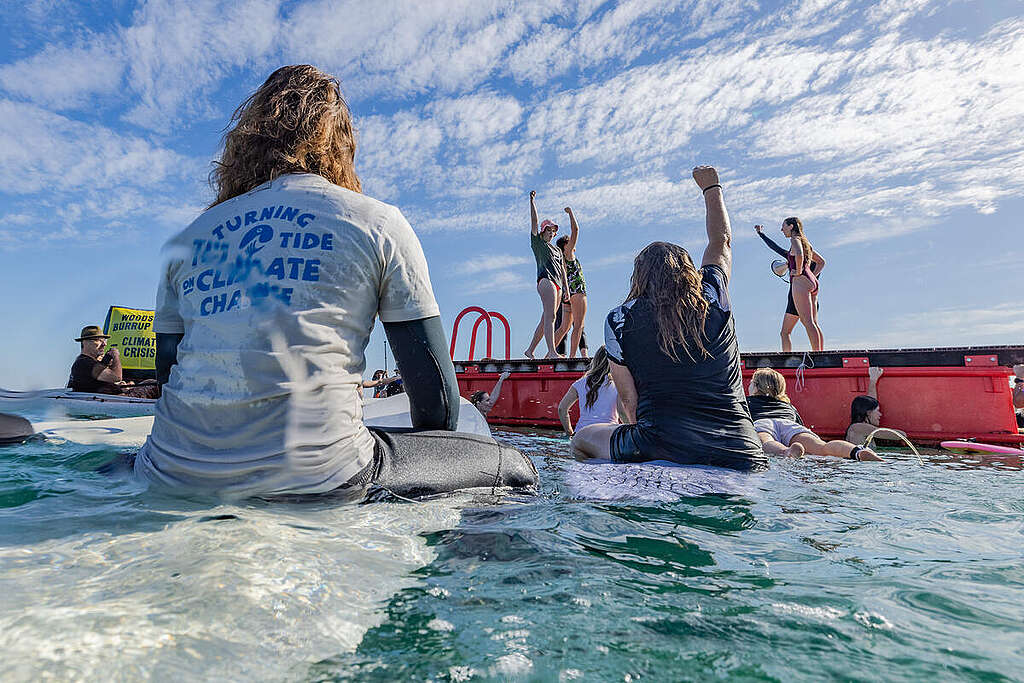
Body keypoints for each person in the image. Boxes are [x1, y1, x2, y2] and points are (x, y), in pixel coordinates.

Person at [138, 64, 536, 499]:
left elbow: (168, 372)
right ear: (341, 145)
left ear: (245, 143)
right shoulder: (377, 222)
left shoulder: (186, 240)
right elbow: (438, 402)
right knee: (513, 467)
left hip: (168, 470)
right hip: (321, 480)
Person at [571, 166, 768, 471]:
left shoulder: (619, 320)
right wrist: (711, 188)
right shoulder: (713, 294)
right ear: (689, 271)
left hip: (662, 445)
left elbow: (629, 401)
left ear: (638, 277)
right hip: (742, 450)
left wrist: (643, 445)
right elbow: (721, 241)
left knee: (582, 439)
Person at [748, 368, 880, 460]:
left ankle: (786, 452)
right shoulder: (788, 406)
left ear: (755, 387)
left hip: (762, 423)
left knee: (766, 441)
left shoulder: (747, 401)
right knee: (822, 447)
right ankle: (856, 451)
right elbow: (798, 423)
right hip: (789, 424)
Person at [754, 223, 825, 352]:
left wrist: (798, 271)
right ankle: (820, 353)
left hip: (800, 289)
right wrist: (812, 276)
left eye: (784, 226)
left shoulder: (795, 241)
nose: (782, 229)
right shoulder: (807, 246)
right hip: (812, 287)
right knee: (813, 324)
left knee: (789, 331)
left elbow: (791, 252)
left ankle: (791, 358)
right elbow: (821, 261)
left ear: (791, 226)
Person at [524, 191, 570, 359]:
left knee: (546, 318)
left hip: (558, 283)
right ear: (543, 231)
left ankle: (530, 350)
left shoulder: (557, 250)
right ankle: (552, 352)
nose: (551, 233)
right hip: (546, 280)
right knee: (550, 317)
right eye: (548, 230)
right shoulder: (538, 243)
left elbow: (563, 269)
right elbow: (534, 221)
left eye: (553, 231)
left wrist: (566, 288)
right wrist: (532, 201)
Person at [68, 325, 160, 399]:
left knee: (149, 382)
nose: (104, 344)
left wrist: (121, 386)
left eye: (104, 340)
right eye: (98, 340)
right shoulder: (84, 363)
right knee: (155, 385)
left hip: (109, 398)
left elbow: (106, 381)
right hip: (110, 401)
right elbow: (116, 377)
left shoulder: (89, 362)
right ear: (85, 342)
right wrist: (115, 355)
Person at [558, 346, 619, 438]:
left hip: (581, 434)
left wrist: (569, 433)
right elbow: (622, 411)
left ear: (595, 360)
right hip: (607, 434)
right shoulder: (618, 384)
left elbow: (562, 409)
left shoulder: (579, 383)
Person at [553, 206, 588, 358]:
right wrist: (571, 213)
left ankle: (550, 352)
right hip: (577, 292)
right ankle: (573, 357)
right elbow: (576, 230)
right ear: (566, 246)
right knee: (579, 325)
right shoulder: (568, 254)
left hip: (567, 295)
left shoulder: (561, 259)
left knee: (563, 328)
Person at [845, 366, 908, 445]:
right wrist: (903, 434)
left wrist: (873, 380)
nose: (880, 414)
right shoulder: (858, 427)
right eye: (878, 411)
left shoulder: (859, 427)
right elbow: (899, 435)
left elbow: (871, 402)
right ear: (868, 412)